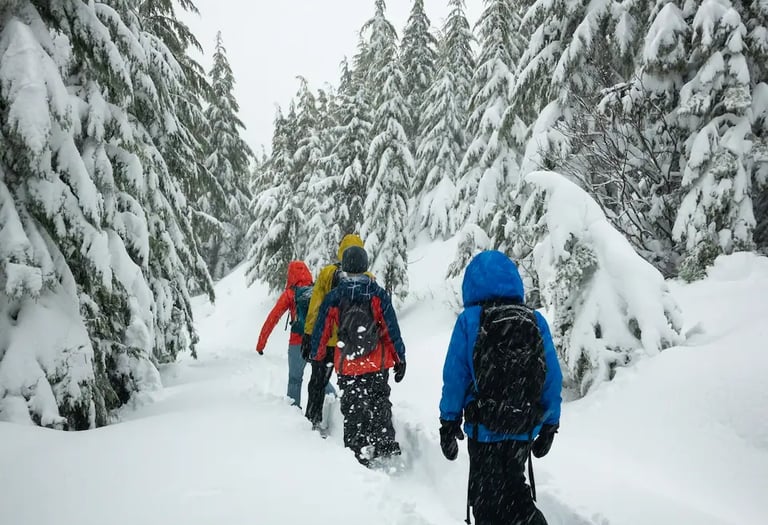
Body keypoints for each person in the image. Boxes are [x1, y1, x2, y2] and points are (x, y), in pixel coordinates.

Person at [439, 250, 562, 525]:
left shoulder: (470, 321)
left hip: (484, 429)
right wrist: (550, 424)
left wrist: (448, 422)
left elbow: (455, 378)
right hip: (522, 427)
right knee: (516, 489)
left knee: (487, 498)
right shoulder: (534, 320)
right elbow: (552, 377)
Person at [310, 245, 406, 466]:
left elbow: (322, 330)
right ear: (365, 266)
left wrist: (317, 354)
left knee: (353, 407)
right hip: (377, 362)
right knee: (380, 401)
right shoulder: (377, 294)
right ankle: (384, 444)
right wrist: (400, 358)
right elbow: (391, 329)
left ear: (344, 267)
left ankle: (357, 450)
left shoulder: (335, 297)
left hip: (348, 364)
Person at [301, 234, 369, 429]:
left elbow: (316, 307)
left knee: (318, 382)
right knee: (355, 386)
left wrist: (308, 334)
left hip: (328, 341)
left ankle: (313, 420)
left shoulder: (327, 273)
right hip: (354, 344)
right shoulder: (368, 278)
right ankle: (355, 428)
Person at [255, 260, 334, 407]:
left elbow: (273, 318)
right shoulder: (316, 290)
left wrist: (261, 344)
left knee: (295, 379)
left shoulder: (290, 294)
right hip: (316, 341)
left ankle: (294, 415)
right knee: (320, 377)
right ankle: (334, 404)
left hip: (297, 343)